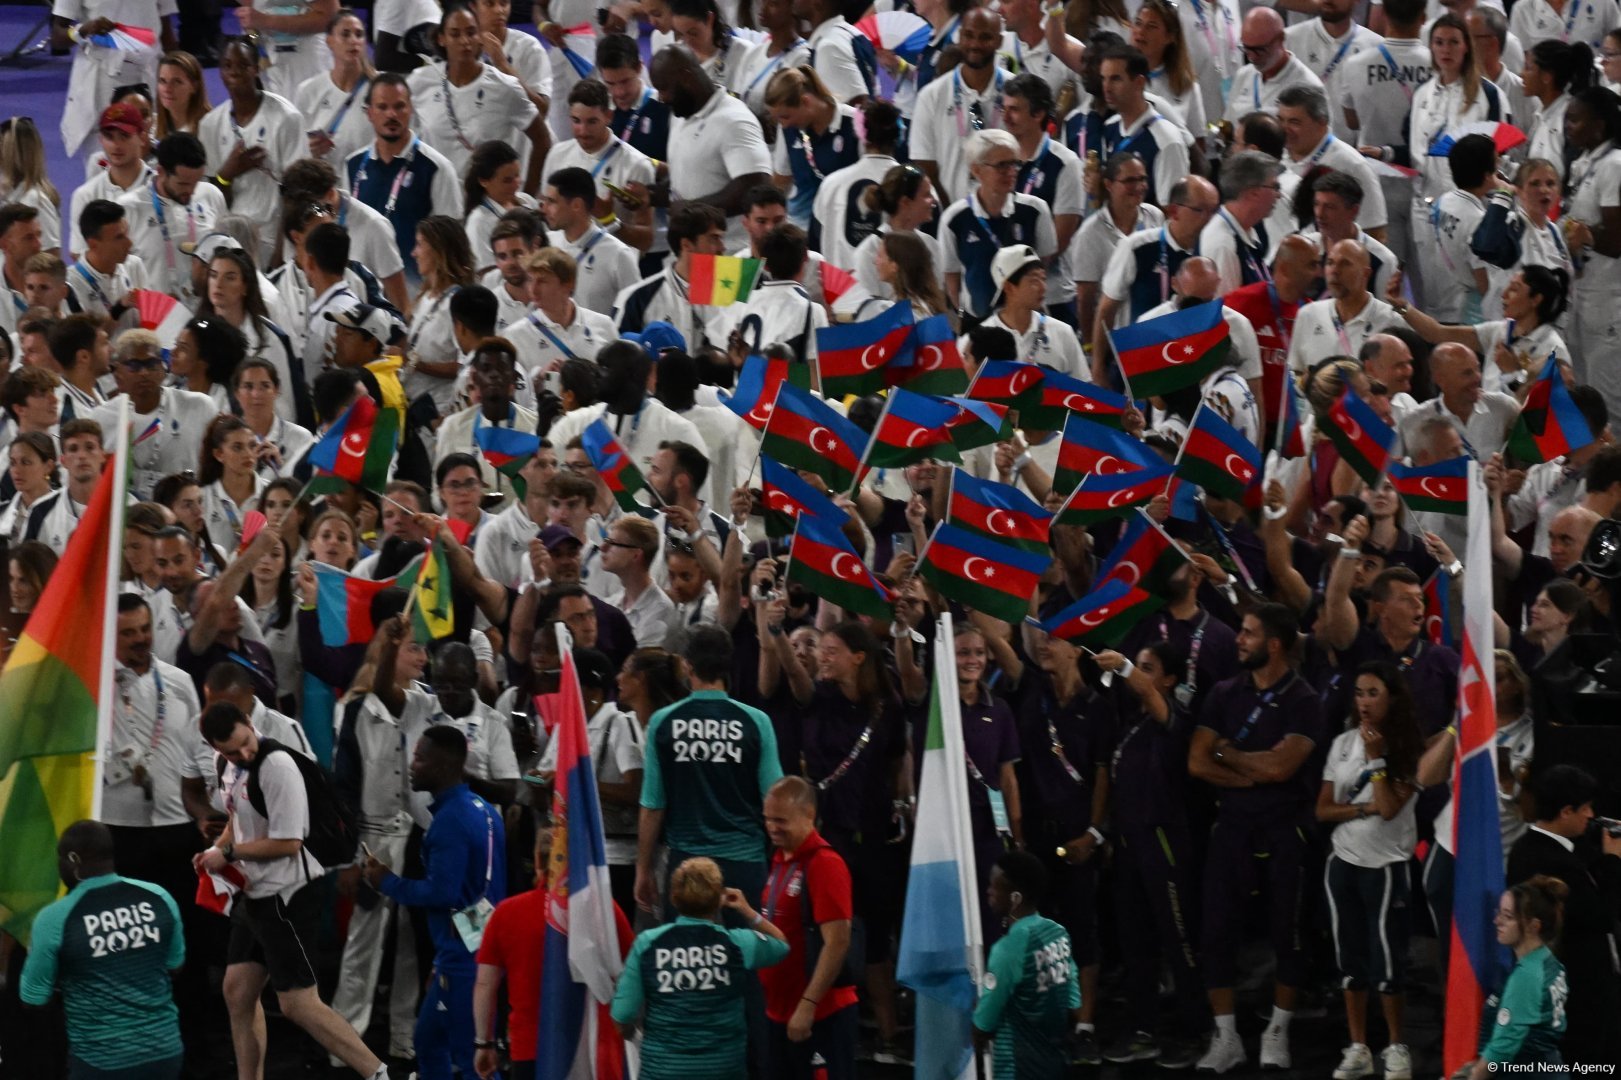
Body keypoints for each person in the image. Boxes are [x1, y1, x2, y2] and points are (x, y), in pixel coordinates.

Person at [196, 702, 391, 1080]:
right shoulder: (227, 766)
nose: (244, 753)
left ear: (250, 723)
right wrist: (216, 851)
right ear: (216, 749)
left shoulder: (278, 767)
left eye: (246, 742)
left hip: (290, 894)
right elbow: (236, 818)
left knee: (298, 1003)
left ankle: (378, 1073)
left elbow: (288, 843)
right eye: (232, 750)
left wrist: (231, 853)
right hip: (256, 894)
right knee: (237, 991)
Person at [1189, 603, 1324, 1073]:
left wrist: (1230, 752)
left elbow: (1282, 766)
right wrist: (1250, 770)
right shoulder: (1225, 692)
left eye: (1246, 633)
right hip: (1231, 829)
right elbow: (1197, 762)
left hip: (1287, 831)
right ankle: (1226, 1037)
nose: (1237, 640)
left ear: (1273, 644)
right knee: (1215, 934)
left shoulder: (1304, 699)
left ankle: (1277, 1032)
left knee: (1288, 934)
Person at [364, 722, 508, 1080]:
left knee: (474, 1060)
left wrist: (387, 882)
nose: (412, 766)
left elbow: (440, 894)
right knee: (428, 1042)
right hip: (473, 949)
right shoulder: (485, 809)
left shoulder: (448, 823)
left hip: (463, 961)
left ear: (443, 767)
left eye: (419, 759)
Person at [1317, 662, 1422, 1080]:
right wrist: (1362, 809)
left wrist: (1377, 760)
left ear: (1392, 697)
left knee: (1389, 965)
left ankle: (1397, 1048)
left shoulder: (1409, 748)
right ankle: (1358, 1046)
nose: (1364, 701)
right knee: (1350, 962)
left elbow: (1392, 805)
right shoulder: (1342, 743)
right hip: (1342, 863)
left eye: (1373, 693)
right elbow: (1323, 809)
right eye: (1359, 693)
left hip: (1386, 867)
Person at [19, 821, 187, 1080]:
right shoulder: (159, 897)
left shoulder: (54, 918)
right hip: (165, 1052)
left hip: (100, 1061)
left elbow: (33, 999)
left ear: (73, 859)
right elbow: (175, 965)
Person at [635, 624, 783, 915]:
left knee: (689, 957)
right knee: (744, 957)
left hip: (687, 868)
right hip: (746, 866)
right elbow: (774, 798)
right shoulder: (757, 722)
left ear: (687, 665)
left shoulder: (663, 722)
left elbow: (653, 805)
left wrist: (643, 868)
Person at [474, 826, 632, 1080]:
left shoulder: (506, 913)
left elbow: (485, 984)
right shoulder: (605, 911)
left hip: (531, 1051)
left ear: (537, 860)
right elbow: (631, 975)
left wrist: (484, 1043)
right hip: (592, 1049)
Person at [611, 857, 790, 1078]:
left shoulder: (647, 943)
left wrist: (634, 1036)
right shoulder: (737, 943)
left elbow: (622, 1015)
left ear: (673, 898)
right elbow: (781, 944)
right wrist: (747, 910)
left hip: (663, 1071)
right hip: (724, 1070)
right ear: (718, 901)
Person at [1505, 764, 1621, 1065]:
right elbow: (1599, 915)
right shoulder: (1550, 860)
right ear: (1566, 811)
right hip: (1576, 994)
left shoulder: (1534, 849)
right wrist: (1612, 862)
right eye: (1586, 808)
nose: (1591, 816)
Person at [758, 775, 858, 1080]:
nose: (772, 827)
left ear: (809, 816)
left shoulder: (824, 864)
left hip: (819, 1016)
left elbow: (838, 941)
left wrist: (808, 1005)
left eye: (781, 820)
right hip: (781, 1012)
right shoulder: (781, 860)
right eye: (767, 819)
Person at [649, 45, 774, 253]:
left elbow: (755, 188)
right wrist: (656, 194)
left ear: (687, 78)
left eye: (664, 88)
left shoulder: (734, 121)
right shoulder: (680, 115)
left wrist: (692, 211)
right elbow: (694, 172)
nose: (661, 98)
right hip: (691, 255)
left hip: (730, 256)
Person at [407, 4, 544, 190]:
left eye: (471, 33)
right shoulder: (420, 82)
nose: (465, 41)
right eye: (455, 34)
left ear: (480, 36)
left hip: (491, 205)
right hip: (440, 201)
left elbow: (542, 140)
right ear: (441, 39)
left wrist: (529, 196)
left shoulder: (505, 86)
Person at [971, 849, 1082, 1080]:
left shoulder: (1008, 948)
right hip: (1056, 1064)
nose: (988, 892)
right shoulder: (1058, 933)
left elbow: (984, 1024)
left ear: (1015, 898)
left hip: (1017, 1068)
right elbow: (1073, 1003)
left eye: (994, 886)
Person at [199, 37, 305, 266]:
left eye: (243, 65)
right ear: (219, 71)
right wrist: (227, 174)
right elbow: (209, 197)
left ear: (256, 69)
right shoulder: (210, 124)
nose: (234, 72)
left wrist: (281, 251)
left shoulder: (287, 118)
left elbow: (297, 193)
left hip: (272, 236)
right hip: (228, 239)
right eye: (227, 65)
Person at [345, 74, 462, 280]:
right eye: (382, 107)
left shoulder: (437, 168)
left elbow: (451, 246)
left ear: (411, 109)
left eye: (399, 106)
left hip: (416, 295)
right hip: (363, 294)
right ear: (369, 113)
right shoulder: (351, 165)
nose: (392, 114)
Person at [939, 129, 1059, 322]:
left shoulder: (1035, 210)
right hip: (978, 323)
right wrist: (966, 314)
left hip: (1027, 320)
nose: (1011, 172)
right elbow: (952, 278)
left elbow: (1044, 261)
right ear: (977, 170)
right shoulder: (954, 218)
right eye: (1002, 165)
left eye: (1015, 164)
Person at [1461, 877, 1571, 1073]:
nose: (1497, 921)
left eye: (1508, 916)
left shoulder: (1528, 976)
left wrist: (1476, 1076)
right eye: (1499, 913)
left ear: (1533, 926)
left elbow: (1502, 1048)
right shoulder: (1549, 962)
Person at [910, 7, 1011, 204]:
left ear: (999, 41)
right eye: (969, 35)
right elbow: (924, 164)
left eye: (985, 37)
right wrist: (952, 214)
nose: (975, 44)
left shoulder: (1014, 93)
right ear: (959, 37)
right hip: (949, 213)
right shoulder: (931, 96)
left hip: (1006, 212)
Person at [540, 166, 642, 317]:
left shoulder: (618, 254)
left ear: (576, 205)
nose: (544, 209)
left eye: (552, 202)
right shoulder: (546, 244)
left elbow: (636, 312)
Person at [293, 8, 375, 171]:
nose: (353, 41)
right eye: (345, 34)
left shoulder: (380, 87)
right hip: (326, 187)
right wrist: (308, 150)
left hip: (369, 184)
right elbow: (295, 152)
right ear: (329, 41)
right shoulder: (308, 90)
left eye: (359, 35)